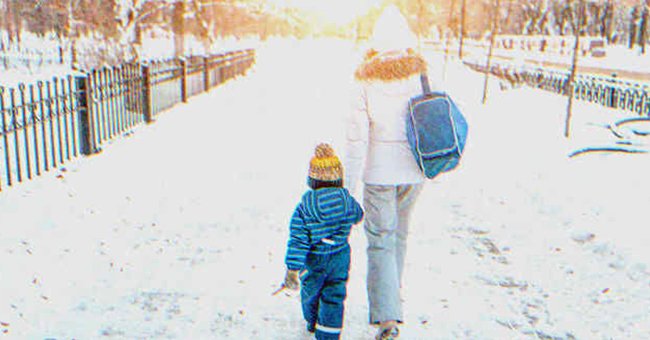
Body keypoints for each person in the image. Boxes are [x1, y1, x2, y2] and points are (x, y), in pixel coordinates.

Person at [344, 5, 435, 340]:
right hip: (414, 172)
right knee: (399, 237)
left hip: (379, 175)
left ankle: (388, 318)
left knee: (380, 241)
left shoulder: (363, 80)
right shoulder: (423, 74)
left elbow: (357, 139)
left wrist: (348, 188)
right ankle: (390, 299)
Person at [283, 143, 364, 340]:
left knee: (311, 291)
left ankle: (312, 321)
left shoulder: (304, 208)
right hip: (340, 255)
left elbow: (298, 239)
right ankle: (328, 334)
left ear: (312, 180)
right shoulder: (347, 201)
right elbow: (358, 216)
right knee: (335, 293)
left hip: (315, 257)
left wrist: (293, 268)